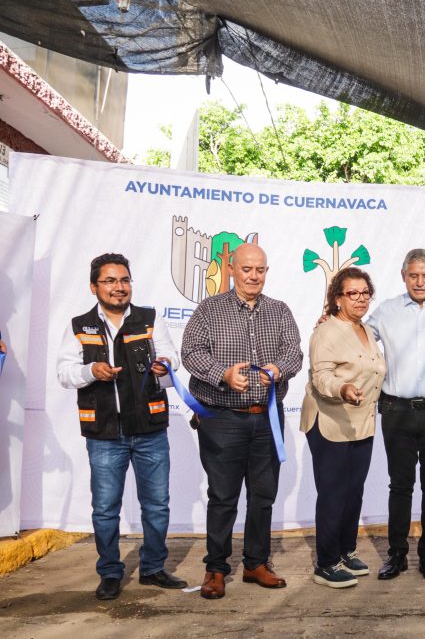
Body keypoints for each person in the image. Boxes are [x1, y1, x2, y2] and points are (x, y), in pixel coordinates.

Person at [56, 253, 187, 600]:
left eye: (124, 280)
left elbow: (172, 359)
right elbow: (64, 374)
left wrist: (164, 365)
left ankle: (153, 568)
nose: (119, 287)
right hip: (103, 434)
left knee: (156, 505)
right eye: (110, 281)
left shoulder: (149, 319)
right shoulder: (80, 325)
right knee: (105, 509)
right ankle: (110, 573)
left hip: (150, 430)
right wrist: (90, 371)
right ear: (94, 286)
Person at [181, 243, 303, 599]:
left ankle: (256, 563)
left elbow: (293, 353)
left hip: (266, 418)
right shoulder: (209, 310)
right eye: (247, 269)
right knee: (223, 496)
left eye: (260, 270)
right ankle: (216, 568)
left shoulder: (280, 310)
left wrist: (279, 369)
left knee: (263, 495)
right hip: (222, 418)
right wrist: (222, 374)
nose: (253, 276)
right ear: (232, 270)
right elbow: (191, 352)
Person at [365, 248, 425, 580]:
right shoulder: (386, 311)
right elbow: (357, 335)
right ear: (403, 276)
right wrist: (331, 319)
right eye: (413, 275)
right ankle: (397, 555)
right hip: (397, 410)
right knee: (400, 486)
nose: (420, 282)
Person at [300, 267, 385, 589]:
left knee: (353, 491)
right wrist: (343, 388)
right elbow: (321, 377)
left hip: (362, 422)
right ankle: (326, 563)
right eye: (353, 293)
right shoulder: (327, 332)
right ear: (338, 298)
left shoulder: (365, 329)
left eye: (365, 293)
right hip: (330, 421)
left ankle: (345, 551)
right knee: (333, 493)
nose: (360, 299)